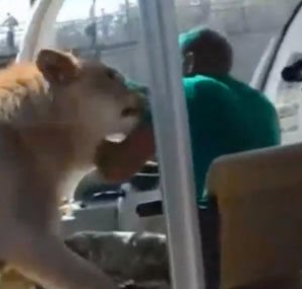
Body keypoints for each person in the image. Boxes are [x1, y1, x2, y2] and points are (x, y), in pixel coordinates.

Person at [99, 27, 281, 203]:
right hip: (264, 222)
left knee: (84, 237)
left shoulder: (189, 91)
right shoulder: (263, 105)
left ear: (188, 60)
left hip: (215, 228)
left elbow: (118, 168)